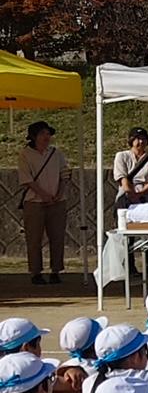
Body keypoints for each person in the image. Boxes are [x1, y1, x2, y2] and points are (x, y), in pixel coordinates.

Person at [18, 120, 68, 287]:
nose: (46, 137)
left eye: (48, 134)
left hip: (57, 201)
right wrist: (44, 195)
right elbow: (27, 180)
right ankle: (36, 272)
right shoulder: (25, 154)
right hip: (34, 202)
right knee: (34, 238)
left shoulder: (56, 153)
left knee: (57, 237)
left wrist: (58, 194)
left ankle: (56, 270)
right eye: (42, 134)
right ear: (33, 136)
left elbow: (64, 175)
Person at [112, 126, 148, 280]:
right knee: (127, 232)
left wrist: (141, 193)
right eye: (136, 139)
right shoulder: (121, 156)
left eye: (143, 139)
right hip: (126, 194)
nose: (140, 142)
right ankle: (129, 265)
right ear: (131, 140)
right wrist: (130, 193)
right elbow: (122, 178)